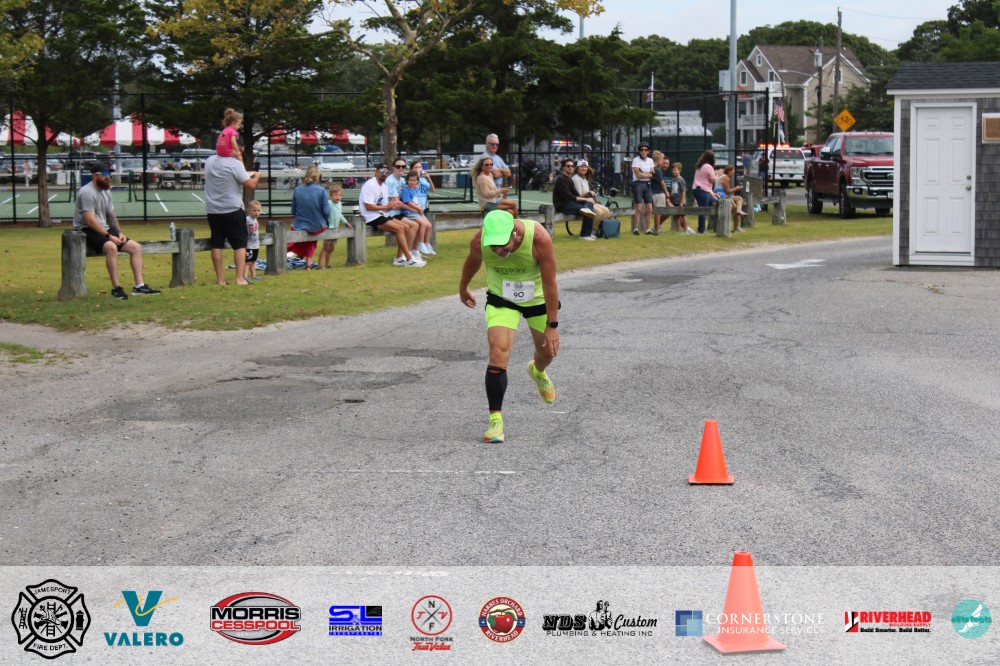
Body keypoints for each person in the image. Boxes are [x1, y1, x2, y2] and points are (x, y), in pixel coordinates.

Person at [459, 209, 560, 444]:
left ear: (514, 232)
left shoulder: (538, 238)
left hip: (537, 298)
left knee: (547, 352)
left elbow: (550, 282)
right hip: (502, 299)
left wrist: (552, 325)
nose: (497, 251)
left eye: (502, 245)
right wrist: (463, 287)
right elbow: (473, 260)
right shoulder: (479, 240)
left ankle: (538, 371)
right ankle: (495, 420)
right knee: (498, 353)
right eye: (493, 246)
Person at [72, 162, 160, 300]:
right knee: (111, 247)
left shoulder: (106, 191)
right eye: (105, 174)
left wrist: (119, 233)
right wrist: (109, 236)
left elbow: (111, 215)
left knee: (136, 247)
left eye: (109, 174)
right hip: (85, 230)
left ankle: (139, 286)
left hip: (103, 228)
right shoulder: (86, 192)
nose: (108, 177)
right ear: (95, 176)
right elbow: (89, 220)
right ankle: (116, 288)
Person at [203, 147, 260, 285]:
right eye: (238, 151)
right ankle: (239, 278)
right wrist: (257, 176)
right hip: (232, 209)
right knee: (240, 244)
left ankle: (220, 279)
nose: (240, 154)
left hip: (213, 210)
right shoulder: (234, 164)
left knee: (217, 244)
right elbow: (250, 184)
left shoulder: (210, 160)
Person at [358, 163, 425, 267]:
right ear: (376, 172)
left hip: (382, 214)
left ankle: (399, 258)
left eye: (386, 171)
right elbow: (368, 207)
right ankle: (409, 259)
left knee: (406, 227)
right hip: (371, 217)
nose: (384, 173)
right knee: (399, 228)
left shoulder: (384, 187)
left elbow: (384, 206)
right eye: (381, 171)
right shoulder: (370, 185)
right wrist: (387, 206)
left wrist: (391, 207)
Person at [287, 165, 331, 268]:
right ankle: (307, 264)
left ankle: (299, 258)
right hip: (317, 226)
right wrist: (325, 220)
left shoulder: (297, 190)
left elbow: (293, 211)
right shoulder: (321, 190)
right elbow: (326, 211)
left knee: (298, 236)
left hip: (299, 224)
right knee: (312, 237)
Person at [552, 158, 597, 239]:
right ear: (564, 168)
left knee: (590, 199)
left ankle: (588, 233)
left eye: (572, 166)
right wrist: (586, 200)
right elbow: (568, 196)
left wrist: (589, 193)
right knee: (587, 209)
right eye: (568, 166)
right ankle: (585, 235)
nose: (570, 167)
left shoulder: (569, 179)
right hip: (563, 205)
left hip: (571, 203)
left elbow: (577, 194)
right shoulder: (561, 179)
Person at [317, 183, 352, 269]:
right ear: (331, 195)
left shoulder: (340, 204)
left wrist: (346, 222)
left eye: (339, 195)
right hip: (328, 228)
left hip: (335, 229)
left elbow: (340, 214)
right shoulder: (329, 203)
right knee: (325, 247)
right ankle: (319, 265)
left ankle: (328, 265)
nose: (338, 197)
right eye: (336, 195)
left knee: (331, 248)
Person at [572, 160, 610, 238]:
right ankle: (591, 231)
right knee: (598, 212)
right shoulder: (576, 178)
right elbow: (579, 195)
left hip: (589, 201)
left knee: (606, 210)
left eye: (585, 167)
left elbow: (587, 194)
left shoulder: (585, 179)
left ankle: (598, 230)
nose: (584, 168)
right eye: (581, 167)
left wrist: (591, 196)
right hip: (581, 203)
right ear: (577, 168)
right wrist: (589, 192)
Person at [401, 171, 436, 256]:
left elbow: (417, 201)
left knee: (429, 225)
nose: (412, 182)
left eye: (414, 180)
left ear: (417, 182)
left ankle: (427, 244)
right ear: (407, 180)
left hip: (417, 211)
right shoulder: (406, 190)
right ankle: (420, 243)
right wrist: (418, 208)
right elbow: (408, 202)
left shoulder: (415, 190)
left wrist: (420, 208)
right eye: (410, 180)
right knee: (423, 224)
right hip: (410, 212)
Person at [691, 150, 720, 234]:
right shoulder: (709, 166)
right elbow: (712, 180)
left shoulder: (700, 166)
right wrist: (717, 174)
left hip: (696, 189)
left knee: (716, 202)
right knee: (703, 209)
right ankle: (701, 229)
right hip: (703, 190)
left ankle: (712, 225)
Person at [630, 143, 654, 235]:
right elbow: (638, 175)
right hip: (638, 184)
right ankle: (635, 228)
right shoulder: (636, 160)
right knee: (639, 207)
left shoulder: (650, 160)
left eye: (645, 150)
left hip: (647, 184)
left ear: (648, 151)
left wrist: (644, 174)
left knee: (649, 208)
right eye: (641, 150)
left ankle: (647, 229)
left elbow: (653, 173)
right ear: (639, 151)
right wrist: (649, 175)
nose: (643, 152)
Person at [717, 164, 748, 231]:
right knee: (734, 207)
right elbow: (728, 191)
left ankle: (739, 211)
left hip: (723, 195)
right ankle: (735, 227)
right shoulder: (726, 178)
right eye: (733, 172)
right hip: (721, 197)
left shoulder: (723, 177)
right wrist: (736, 188)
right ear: (729, 171)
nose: (733, 174)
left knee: (739, 198)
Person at [650, 151, 673, 235]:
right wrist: (666, 191)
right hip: (658, 193)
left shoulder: (652, 168)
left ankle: (657, 227)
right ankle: (656, 229)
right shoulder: (657, 170)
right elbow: (662, 182)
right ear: (659, 159)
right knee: (659, 211)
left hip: (655, 193)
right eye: (662, 160)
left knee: (661, 211)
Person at [669, 163, 694, 234]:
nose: (673, 171)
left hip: (680, 201)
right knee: (676, 216)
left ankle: (686, 230)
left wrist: (682, 202)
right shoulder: (673, 180)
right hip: (674, 201)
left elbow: (684, 191)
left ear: (679, 170)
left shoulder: (681, 180)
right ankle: (678, 230)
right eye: (672, 170)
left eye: (675, 170)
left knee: (683, 215)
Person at [243, 200, 261, 281]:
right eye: (254, 210)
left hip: (255, 244)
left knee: (253, 261)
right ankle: (245, 277)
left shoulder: (255, 220)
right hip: (249, 245)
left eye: (258, 210)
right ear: (249, 210)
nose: (257, 212)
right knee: (248, 262)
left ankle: (254, 276)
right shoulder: (247, 219)